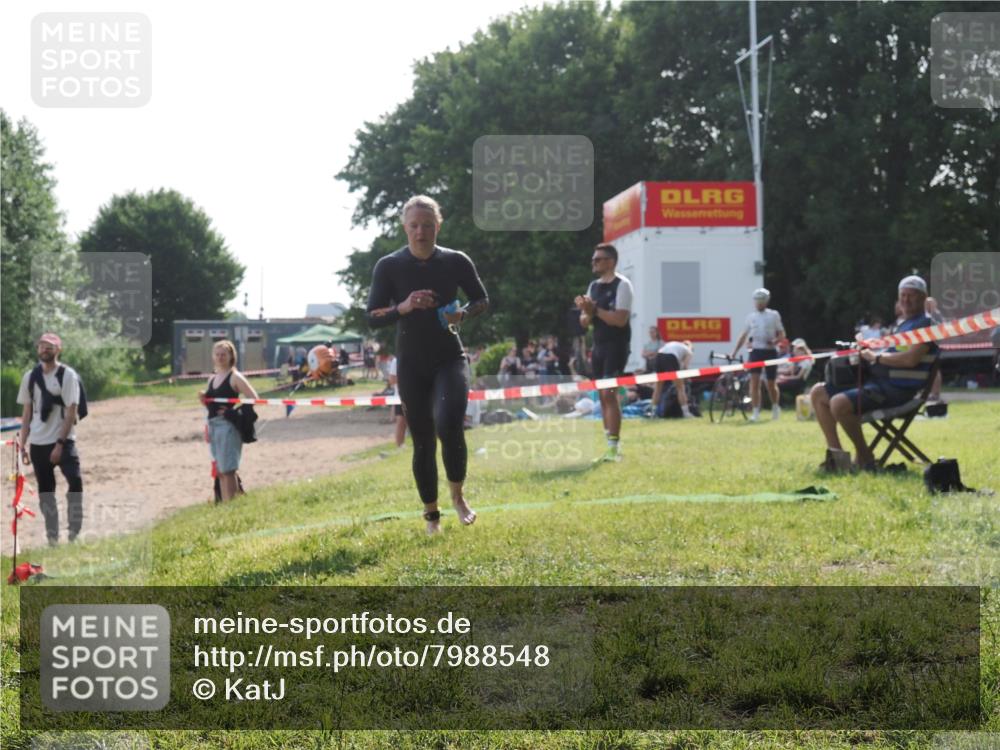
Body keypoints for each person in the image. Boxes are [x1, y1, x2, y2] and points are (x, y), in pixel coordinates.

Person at [366, 194, 488, 534]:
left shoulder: (455, 261)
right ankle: (432, 515)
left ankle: (458, 496)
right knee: (422, 440)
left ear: (439, 226)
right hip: (411, 363)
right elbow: (373, 317)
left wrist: (462, 313)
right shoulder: (389, 266)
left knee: (449, 423)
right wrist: (402, 307)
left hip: (449, 357)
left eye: (428, 226)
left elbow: (482, 299)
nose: (421, 232)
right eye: (415, 226)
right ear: (405, 227)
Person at [810, 275, 939, 471]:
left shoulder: (926, 325)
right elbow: (894, 353)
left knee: (838, 403)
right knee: (818, 393)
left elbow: (910, 359)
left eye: (911, 296)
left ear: (923, 298)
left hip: (898, 390)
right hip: (878, 383)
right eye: (902, 295)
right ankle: (837, 458)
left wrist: (876, 358)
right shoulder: (903, 325)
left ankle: (865, 456)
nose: (905, 300)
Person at [17, 333, 84, 546]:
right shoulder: (30, 377)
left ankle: (74, 532)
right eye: (42, 346)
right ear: (38, 349)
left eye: (50, 347)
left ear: (58, 350)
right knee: (46, 492)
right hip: (38, 442)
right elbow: (27, 413)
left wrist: (60, 444)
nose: (45, 350)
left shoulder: (67, 375)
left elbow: (71, 411)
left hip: (64, 441)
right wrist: (22, 444)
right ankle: (52, 538)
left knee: (75, 481)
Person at [575, 242, 634, 462]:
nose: (593, 262)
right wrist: (588, 312)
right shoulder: (594, 286)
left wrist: (595, 310)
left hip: (616, 346)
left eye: (598, 259)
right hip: (598, 346)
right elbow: (584, 321)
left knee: (610, 395)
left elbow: (620, 320)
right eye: (593, 259)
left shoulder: (623, 285)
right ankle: (608, 443)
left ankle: (613, 446)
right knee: (601, 396)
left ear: (610, 261)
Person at [201, 340, 259, 501]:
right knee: (220, 469)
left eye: (223, 354)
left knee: (228, 469)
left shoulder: (235, 377)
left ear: (231, 356)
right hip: (213, 426)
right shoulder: (212, 379)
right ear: (213, 356)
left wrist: (233, 413)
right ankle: (225, 503)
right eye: (217, 354)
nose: (220, 357)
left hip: (228, 427)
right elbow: (210, 405)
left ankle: (231, 505)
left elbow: (253, 398)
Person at [731, 288, 786, 421]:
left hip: (770, 351)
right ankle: (755, 412)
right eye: (757, 301)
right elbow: (744, 335)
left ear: (766, 302)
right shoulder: (751, 317)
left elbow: (782, 334)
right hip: (756, 352)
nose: (759, 304)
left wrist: (775, 341)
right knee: (754, 383)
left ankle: (775, 406)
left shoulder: (774, 315)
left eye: (762, 301)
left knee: (770, 383)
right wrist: (734, 352)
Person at [652, 339, 695, 418]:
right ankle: (686, 413)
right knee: (680, 388)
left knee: (658, 388)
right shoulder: (688, 350)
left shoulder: (674, 344)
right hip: (671, 357)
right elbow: (685, 366)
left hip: (659, 356)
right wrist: (687, 378)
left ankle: (653, 412)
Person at [387, 353, 407, 448]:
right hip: (400, 397)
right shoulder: (396, 361)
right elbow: (391, 380)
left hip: (417, 396)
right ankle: (400, 446)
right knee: (401, 422)